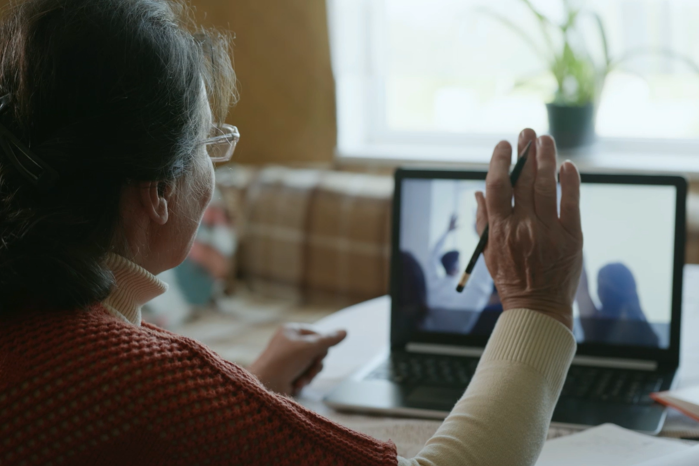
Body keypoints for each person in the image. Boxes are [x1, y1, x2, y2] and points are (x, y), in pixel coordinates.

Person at [0, 1, 583, 464]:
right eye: (209, 143)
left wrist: (244, 394)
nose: (215, 169)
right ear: (156, 190)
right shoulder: (147, 382)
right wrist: (539, 303)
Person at [576, 261, 660, 347]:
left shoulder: (595, 325)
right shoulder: (646, 331)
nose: (598, 291)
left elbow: (582, 289)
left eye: (601, 286)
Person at [425, 214, 493, 314]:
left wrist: (447, 232)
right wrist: (483, 237)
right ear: (456, 267)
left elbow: (432, 257)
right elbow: (481, 284)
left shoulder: (433, 284)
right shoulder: (463, 294)